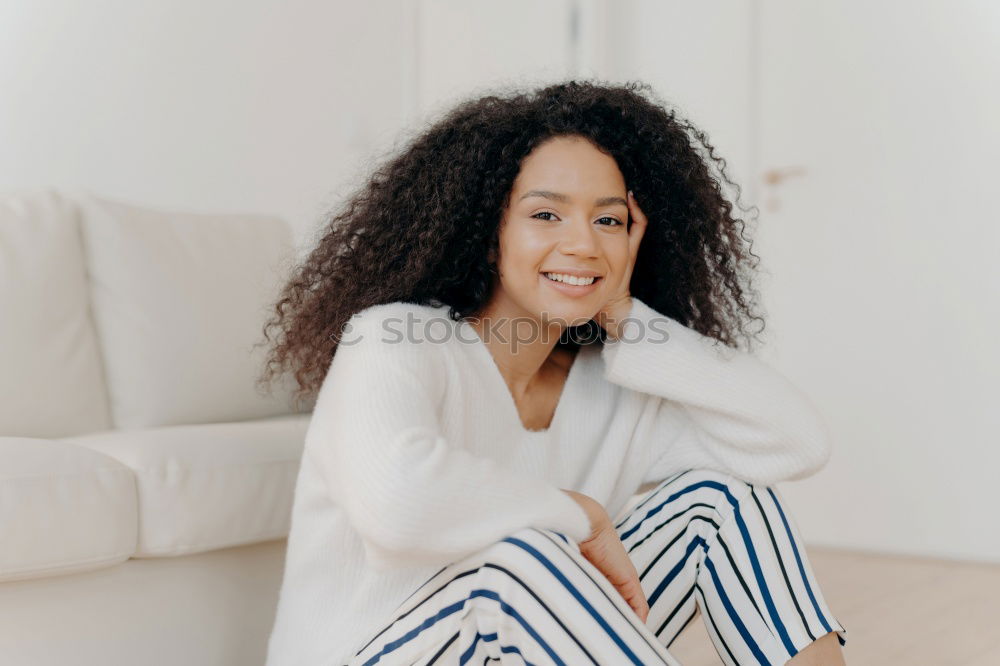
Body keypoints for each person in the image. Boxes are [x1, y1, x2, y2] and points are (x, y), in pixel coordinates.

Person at [258, 80, 848, 665]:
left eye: (610, 222)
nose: (583, 245)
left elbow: (796, 442)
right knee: (525, 555)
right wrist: (581, 515)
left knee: (720, 503)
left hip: (543, 643)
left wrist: (623, 314)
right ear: (489, 235)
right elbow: (399, 506)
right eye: (546, 214)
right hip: (370, 653)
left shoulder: (613, 387)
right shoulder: (394, 338)